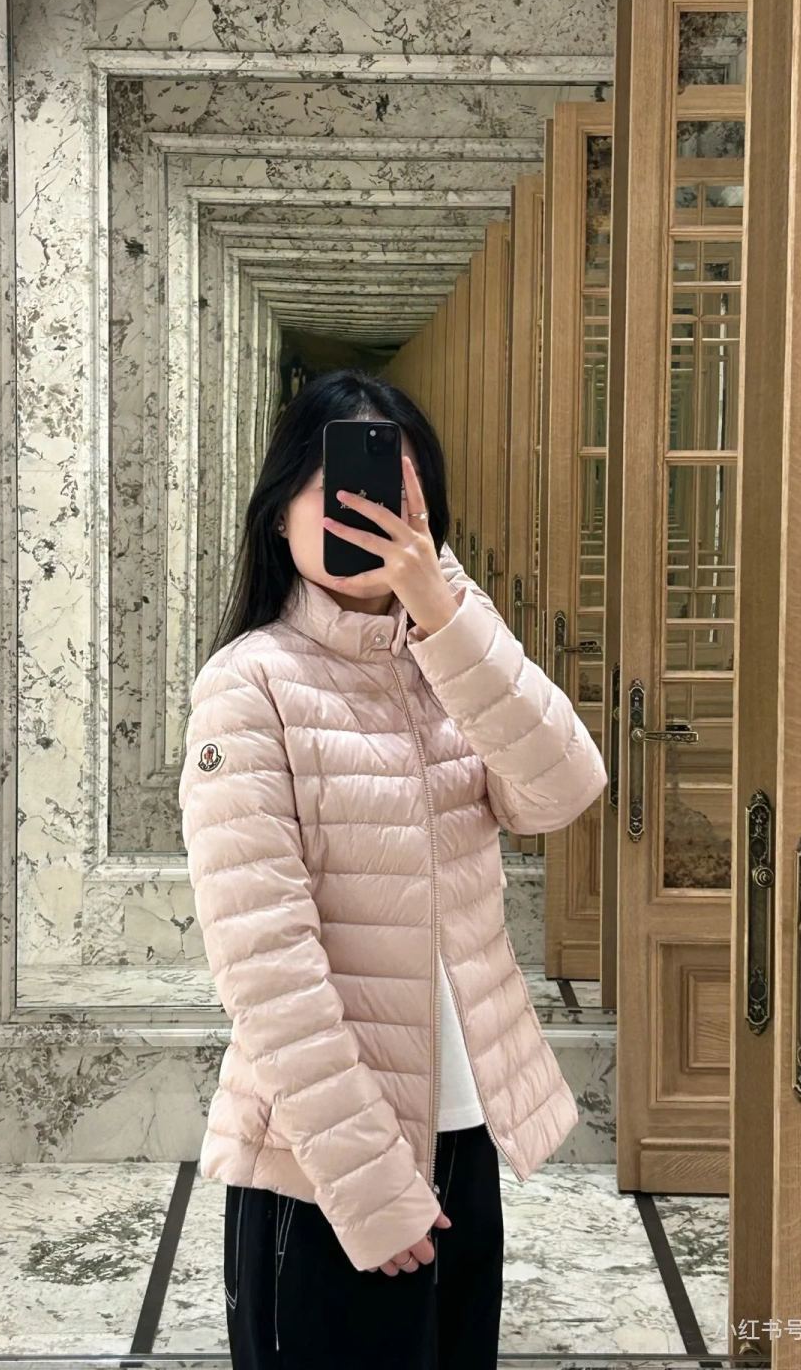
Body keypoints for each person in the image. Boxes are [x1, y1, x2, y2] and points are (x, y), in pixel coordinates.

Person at [178, 369, 609, 1369]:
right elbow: (269, 974)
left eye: (395, 493)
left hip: (464, 1135)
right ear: (278, 510)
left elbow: (562, 789)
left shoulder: (452, 648)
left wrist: (444, 611)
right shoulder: (248, 686)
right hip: (324, 1171)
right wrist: (369, 1188)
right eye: (341, 491)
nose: (367, 513)